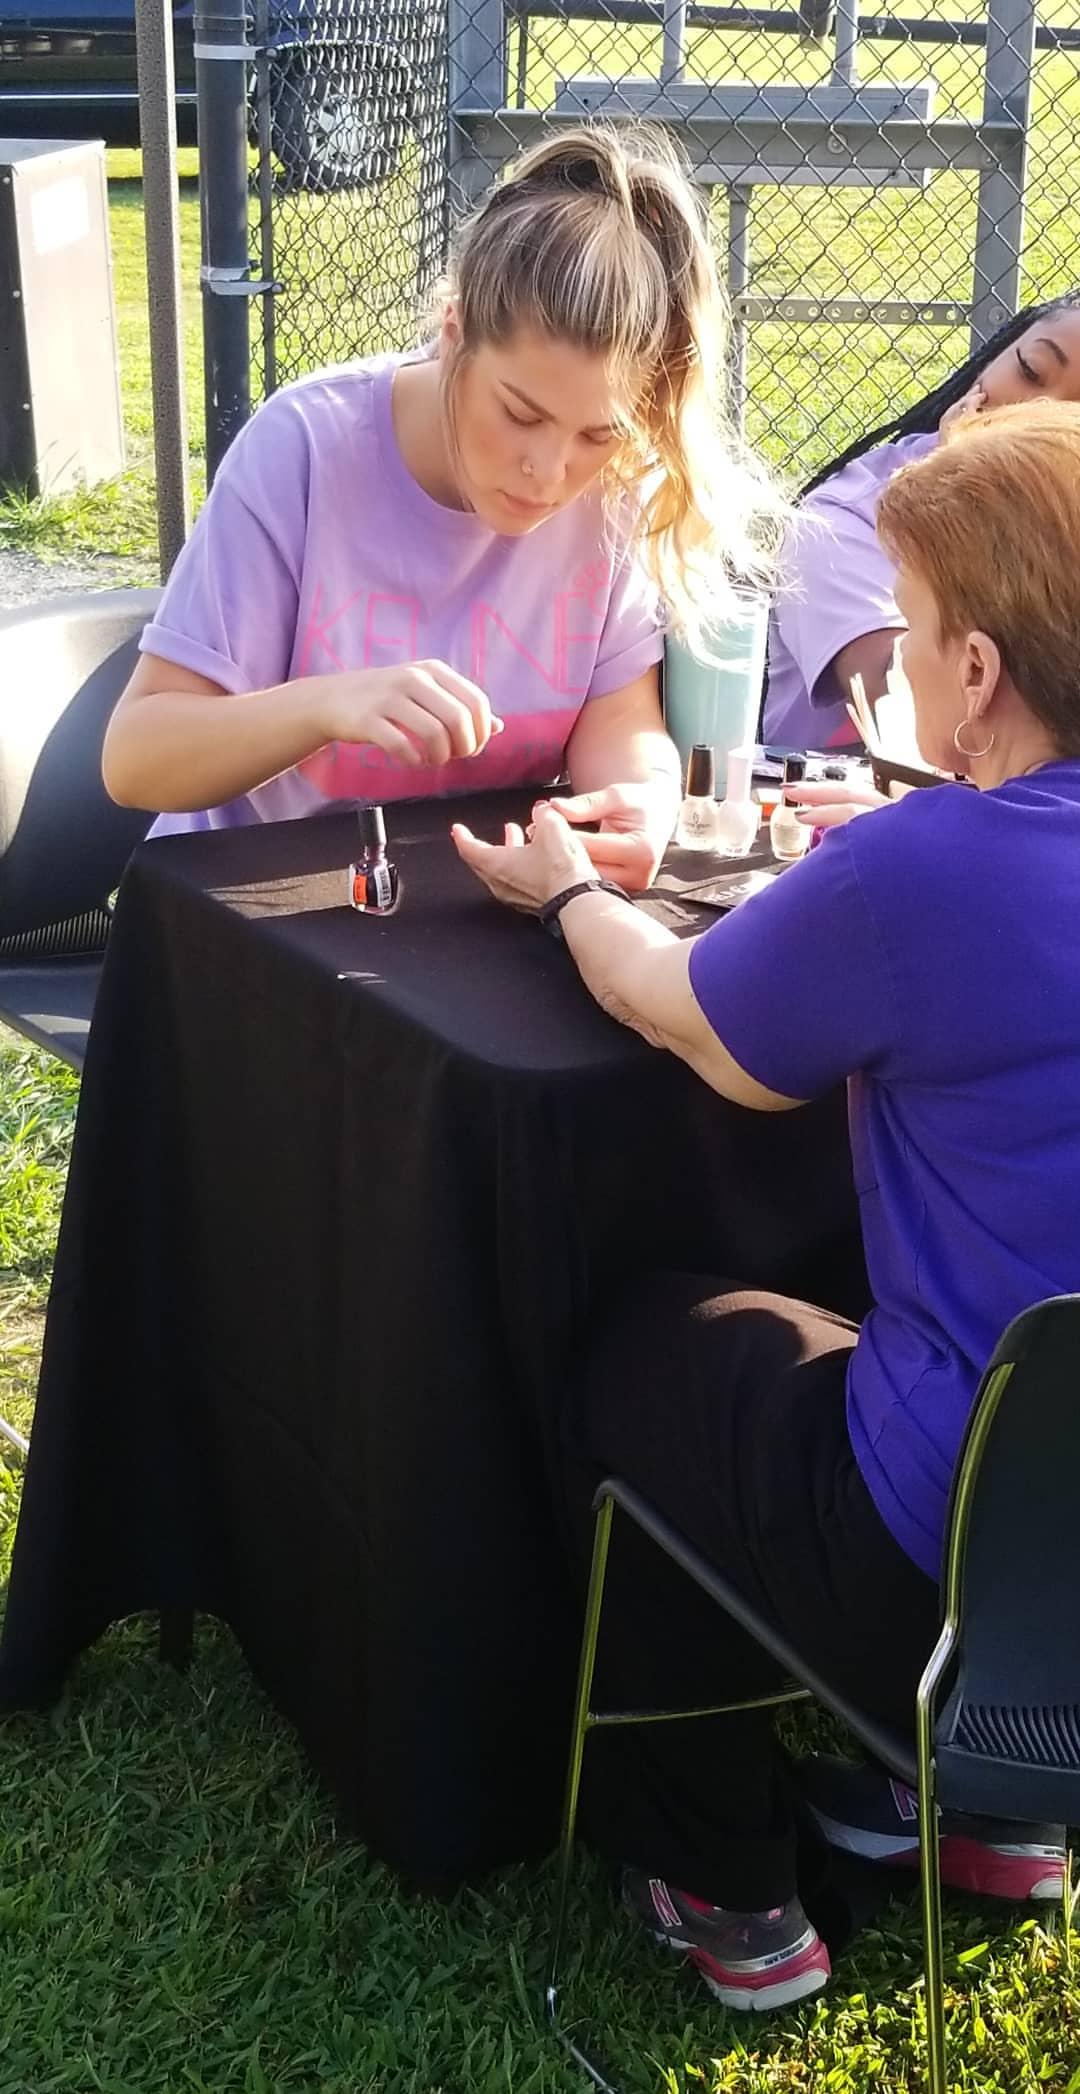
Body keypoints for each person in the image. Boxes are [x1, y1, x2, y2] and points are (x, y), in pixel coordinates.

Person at [453, 400, 1080, 2011]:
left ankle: (724, 1875)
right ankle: (1003, 1817)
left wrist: (571, 889)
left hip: (932, 1568)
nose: (900, 661)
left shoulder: (926, 871)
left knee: (654, 1349)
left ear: (981, 674)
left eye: (914, 632)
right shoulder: (929, 857)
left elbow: (692, 1019)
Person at [102, 126, 781, 890]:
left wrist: (642, 804)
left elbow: (619, 721)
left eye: (597, 433)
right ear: (453, 331)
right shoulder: (304, 448)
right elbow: (137, 759)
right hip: (250, 913)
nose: (549, 472)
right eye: (520, 414)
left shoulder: (618, 483)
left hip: (470, 910)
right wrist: (327, 704)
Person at [762, 290, 1080, 753]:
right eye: (1030, 371)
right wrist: (968, 492)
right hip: (865, 809)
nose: (1032, 414)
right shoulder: (843, 521)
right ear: (997, 354)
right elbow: (922, 725)